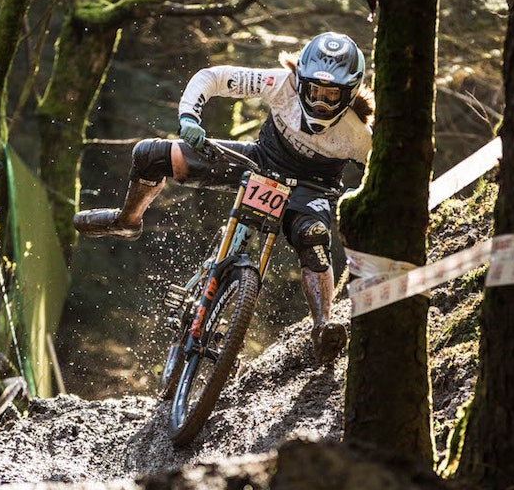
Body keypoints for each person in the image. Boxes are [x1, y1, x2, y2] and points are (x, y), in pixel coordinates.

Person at [74, 32, 374, 359]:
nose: (320, 102)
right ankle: (126, 220)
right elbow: (214, 77)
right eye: (314, 90)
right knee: (149, 155)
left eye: (331, 96)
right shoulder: (279, 83)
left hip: (309, 191)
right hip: (256, 162)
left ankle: (323, 327)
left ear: (350, 93)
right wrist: (190, 117)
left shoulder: (359, 136)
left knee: (313, 239)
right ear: (299, 79)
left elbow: (386, 175)